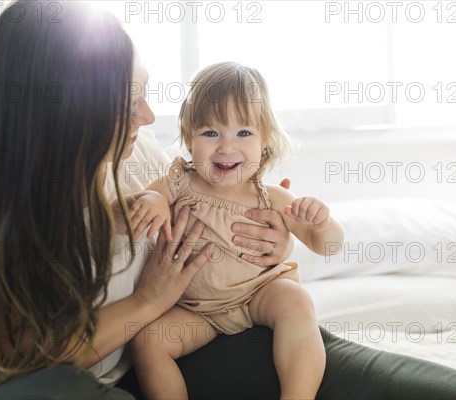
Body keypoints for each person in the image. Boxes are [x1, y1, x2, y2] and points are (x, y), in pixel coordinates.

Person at [0, 2, 456, 400]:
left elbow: (219, 220)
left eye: (148, 96)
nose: (149, 118)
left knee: (346, 366)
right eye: (130, 101)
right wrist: (151, 300)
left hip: (174, 353)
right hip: (54, 387)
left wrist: (273, 239)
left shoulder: (131, 153)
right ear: (64, 110)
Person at [127, 62, 343, 399]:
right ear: (188, 137)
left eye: (243, 133)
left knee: (297, 300)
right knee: (147, 342)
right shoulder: (180, 182)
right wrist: (153, 201)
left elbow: (327, 246)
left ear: (264, 139)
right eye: (211, 133)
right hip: (196, 310)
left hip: (258, 295)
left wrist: (322, 223)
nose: (227, 147)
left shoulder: (271, 197)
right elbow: (152, 194)